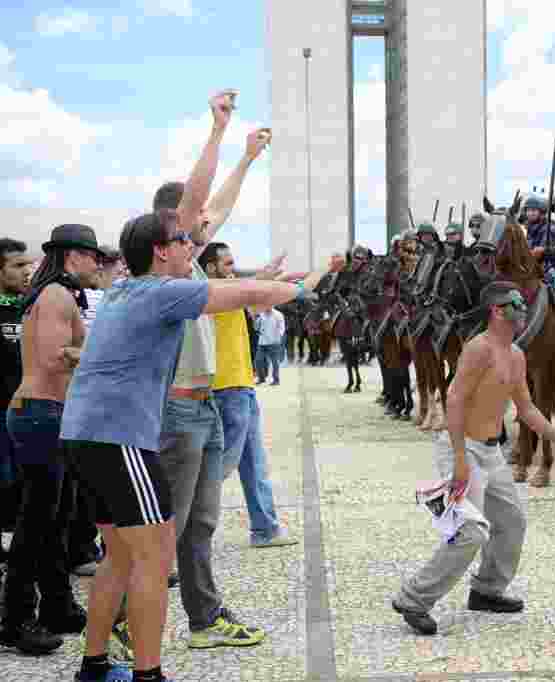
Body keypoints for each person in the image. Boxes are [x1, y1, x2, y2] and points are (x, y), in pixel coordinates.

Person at [62, 208, 324, 682]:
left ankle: (95, 665)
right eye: (183, 239)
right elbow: (246, 293)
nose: (191, 246)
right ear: (161, 251)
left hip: (84, 434)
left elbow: (239, 285)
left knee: (120, 555)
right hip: (118, 437)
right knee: (154, 559)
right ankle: (148, 673)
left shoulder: (125, 287)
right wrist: (303, 288)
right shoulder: (162, 292)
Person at [148, 115, 277, 655]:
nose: (206, 224)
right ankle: (135, 623)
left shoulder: (190, 265)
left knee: (200, 523)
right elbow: (203, 201)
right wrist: (219, 134)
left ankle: (204, 618)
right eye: (193, 220)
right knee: (166, 530)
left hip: (205, 409)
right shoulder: (161, 273)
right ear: (170, 228)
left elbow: (216, 206)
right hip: (176, 413)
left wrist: (247, 159)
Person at [392, 281, 555, 635]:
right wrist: (459, 461)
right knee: (471, 531)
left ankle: (487, 589)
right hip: (462, 448)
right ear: (498, 310)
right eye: (518, 303)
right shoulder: (478, 349)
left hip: (491, 451)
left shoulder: (515, 354)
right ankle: (414, 598)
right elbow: (454, 401)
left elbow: (526, 408)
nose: (525, 308)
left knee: (511, 521)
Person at [1, 224, 104, 656]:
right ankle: (14, 620)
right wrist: (102, 354)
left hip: (49, 414)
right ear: (71, 256)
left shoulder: (58, 294)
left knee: (57, 517)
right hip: (40, 413)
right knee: (36, 522)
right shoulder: (56, 295)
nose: (97, 263)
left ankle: (57, 606)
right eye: (91, 255)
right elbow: (51, 358)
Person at [199, 241, 299, 549]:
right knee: (217, 469)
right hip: (226, 389)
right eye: (227, 264)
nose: (232, 269)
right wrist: (266, 276)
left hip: (243, 388)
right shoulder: (208, 293)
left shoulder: (232, 294)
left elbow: (259, 292)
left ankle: (265, 529)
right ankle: (184, 530)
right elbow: (253, 288)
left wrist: (274, 279)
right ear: (210, 268)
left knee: (254, 463)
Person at [70, 244, 125, 580]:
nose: (121, 276)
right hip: (90, 400)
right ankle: (83, 550)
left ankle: (108, 552)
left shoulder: (117, 300)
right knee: (90, 486)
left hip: (112, 399)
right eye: (116, 271)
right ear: (101, 270)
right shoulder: (86, 301)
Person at [0, 238, 32, 604]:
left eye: (28, 264)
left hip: (24, 414)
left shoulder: (27, 307)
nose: (26, 271)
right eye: (16, 266)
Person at [524, 194, 555, 291]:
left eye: (533, 210)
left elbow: (540, 253)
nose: (530, 213)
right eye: (528, 210)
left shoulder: (550, 229)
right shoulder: (530, 228)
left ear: (541, 212)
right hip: (534, 267)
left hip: (551, 269)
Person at [255, 306, 286, 386]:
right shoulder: (261, 315)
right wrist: (256, 322)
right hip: (262, 342)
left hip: (274, 342)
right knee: (258, 360)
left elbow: (282, 327)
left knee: (275, 362)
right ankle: (261, 378)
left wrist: (279, 336)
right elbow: (256, 327)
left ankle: (276, 380)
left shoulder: (278, 315)